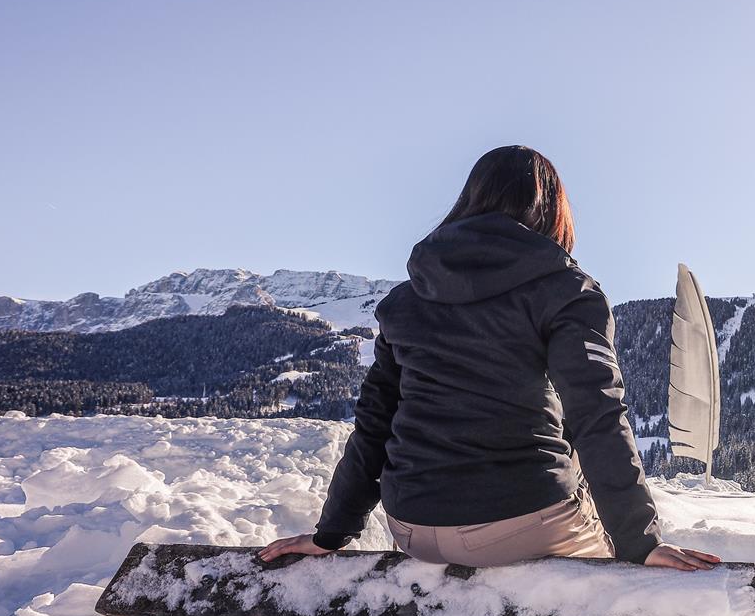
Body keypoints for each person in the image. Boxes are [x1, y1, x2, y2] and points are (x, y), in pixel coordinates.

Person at [259, 145, 719, 573]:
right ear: (551, 211)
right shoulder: (566, 291)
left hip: (412, 526)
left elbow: (375, 423)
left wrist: (333, 533)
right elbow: (596, 413)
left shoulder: (407, 298)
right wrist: (640, 542)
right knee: (617, 583)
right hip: (520, 520)